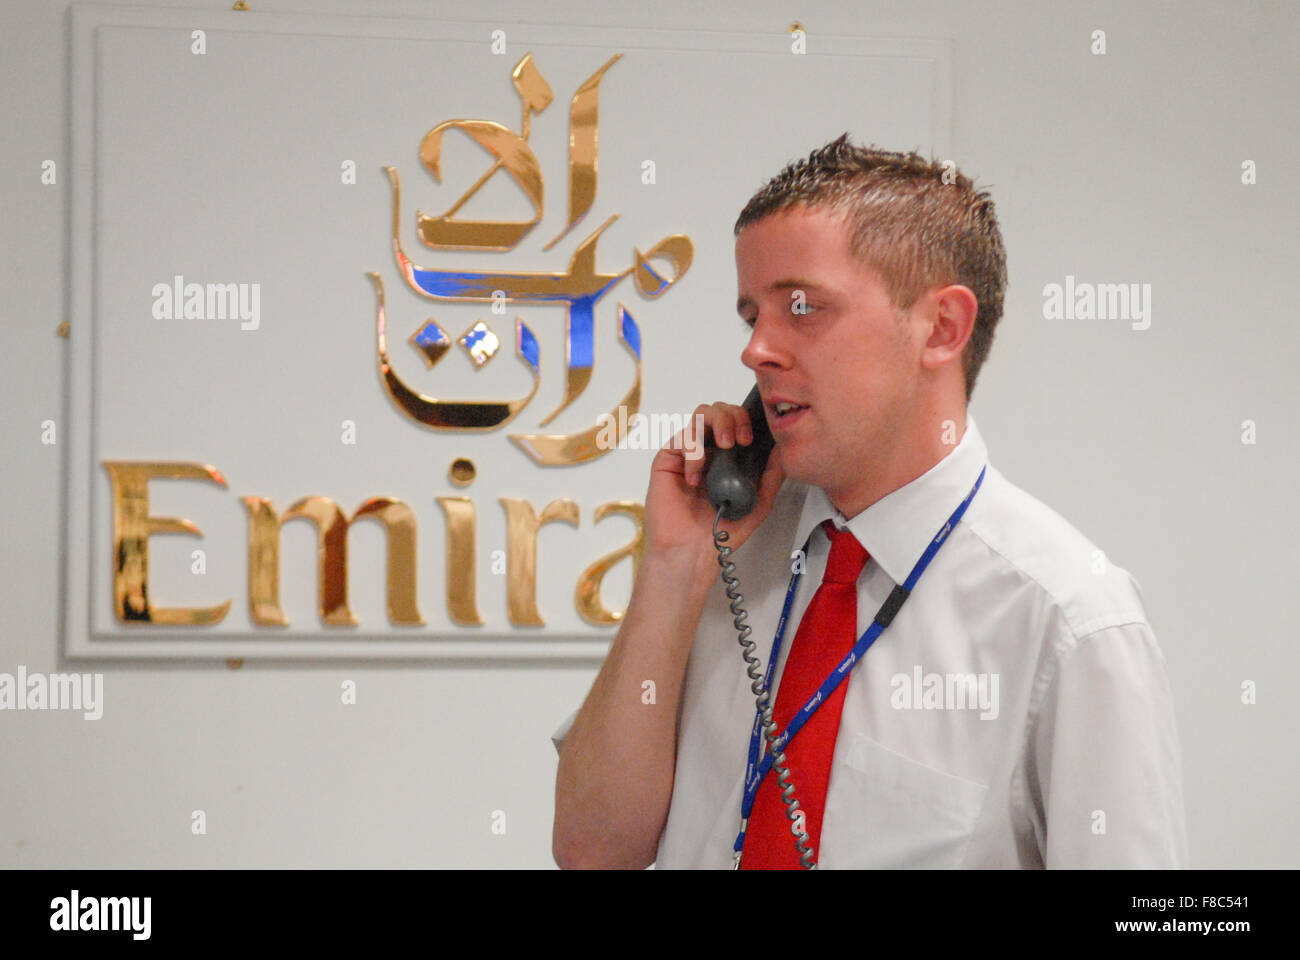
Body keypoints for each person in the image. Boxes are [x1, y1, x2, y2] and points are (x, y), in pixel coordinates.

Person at [550, 133, 1189, 869]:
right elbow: (593, 853)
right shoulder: (725, 550)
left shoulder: (1071, 620)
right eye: (751, 314)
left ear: (940, 329)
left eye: (802, 308)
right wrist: (674, 566)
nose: (756, 349)